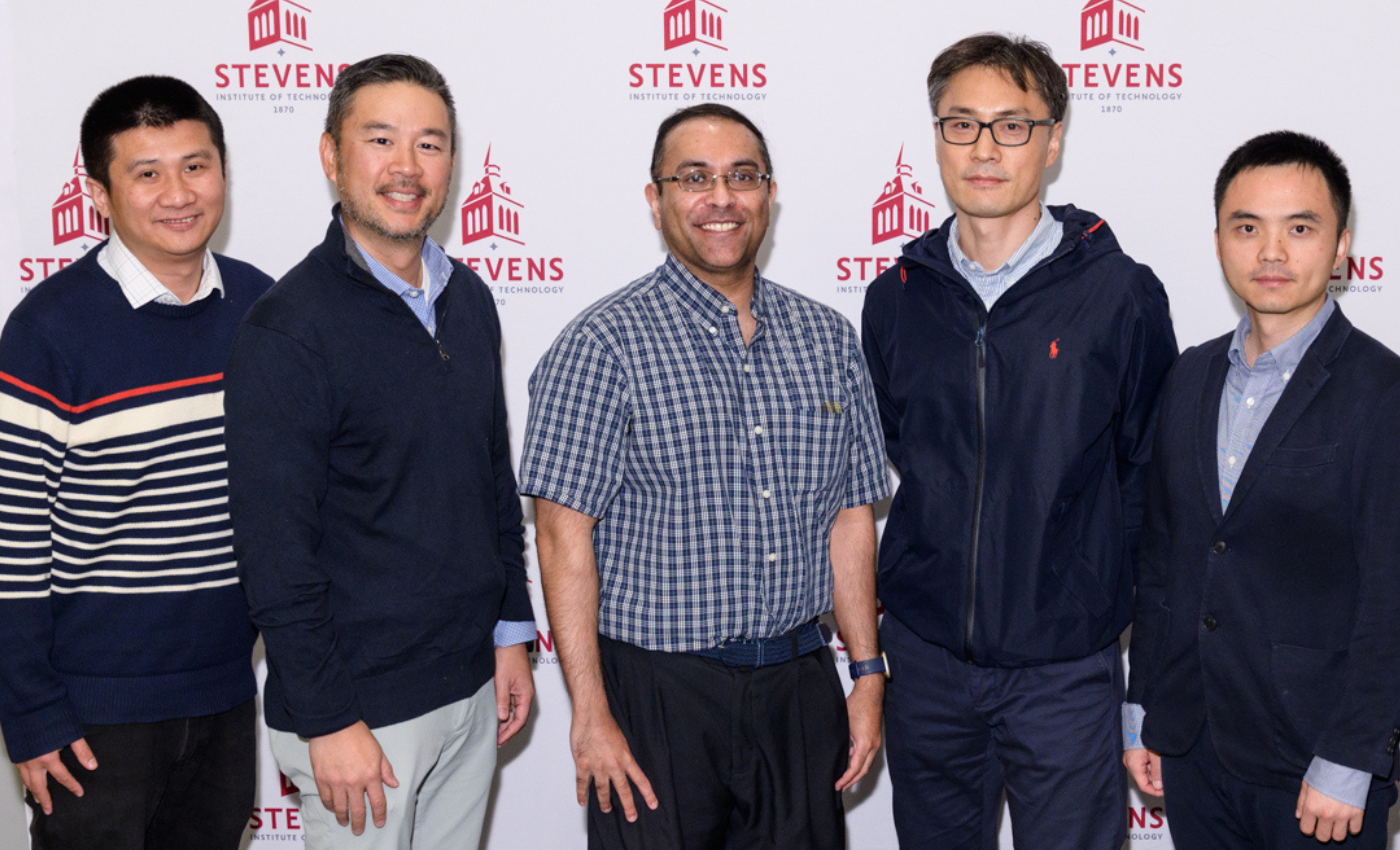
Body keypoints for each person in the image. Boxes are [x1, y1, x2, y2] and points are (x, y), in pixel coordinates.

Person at [519, 103, 889, 850]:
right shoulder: (601, 346)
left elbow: (850, 516)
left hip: (799, 685)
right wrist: (590, 714)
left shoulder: (828, 338)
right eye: (694, 178)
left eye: (741, 177)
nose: (721, 198)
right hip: (658, 697)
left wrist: (868, 672)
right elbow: (563, 539)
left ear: (769, 194)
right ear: (656, 200)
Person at [861, 33, 1178, 850]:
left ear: (1053, 140)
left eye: (1012, 125)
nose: (985, 149)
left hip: (1064, 667)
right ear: (936, 136)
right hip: (926, 663)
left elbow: (1147, 475)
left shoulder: (1122, 295)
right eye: (961, 124)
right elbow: (906, 452)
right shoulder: (895, 300)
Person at [223, 54, 534, 848]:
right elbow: (274, 550)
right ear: (332, 156)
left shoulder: (467, 299)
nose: (406, 167)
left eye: (429, 145)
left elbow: (492, 478)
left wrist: (509, 634)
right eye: (381, 140)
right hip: (359, 717)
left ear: (452, 164)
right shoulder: (288, 328)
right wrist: (328, 719)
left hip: (467, 689)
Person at [0, 76, 271, 849]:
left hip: (223, 693)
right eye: (146, 173)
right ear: (98, 192)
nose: (178, 193)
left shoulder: (263, 309)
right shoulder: (47, 330)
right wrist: (30, 712)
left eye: (196, 165)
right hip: (90, 718)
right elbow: (10, 541)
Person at [1123, 131, 1400, 848]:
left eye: (1299, 228)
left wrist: (1352, 757)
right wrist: (1144, 705)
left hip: (1318, 765)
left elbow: (1391, 595)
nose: (1271, 253)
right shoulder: (1188, 378)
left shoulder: (1383, 392)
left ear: (1341, 246)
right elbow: (1164, 559)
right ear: (1219, 240)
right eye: (1248, 227)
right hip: (1191, 747)